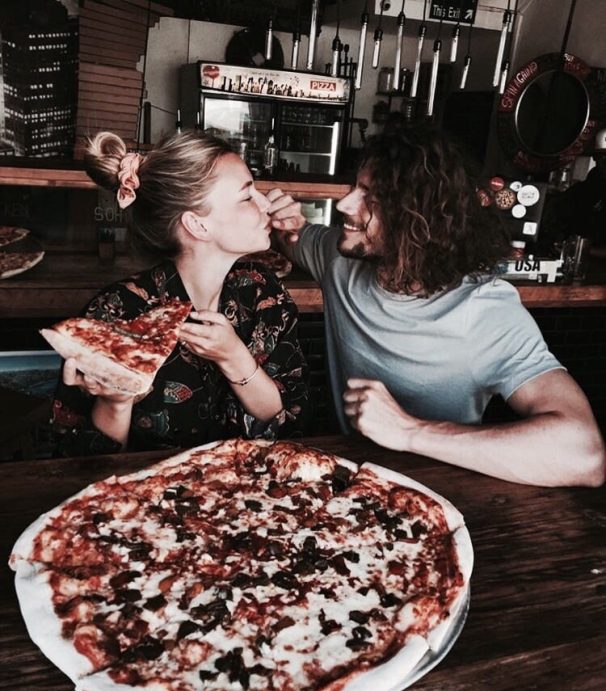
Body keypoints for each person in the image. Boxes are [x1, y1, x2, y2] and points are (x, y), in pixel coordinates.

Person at [272, 122, 606, 488]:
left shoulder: (484, 310)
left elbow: (584, 455)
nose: (344, 203)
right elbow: (292, 237)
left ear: (419, 220)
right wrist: (285, 221)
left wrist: (408, 431)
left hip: (444, 496)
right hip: (343, 486)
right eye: (355, 187)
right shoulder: (340, 258)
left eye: (371, 196)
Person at [51, 129, 309, 456]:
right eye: (247, 196)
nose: (265, 203)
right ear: (197, 225)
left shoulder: (263, 292)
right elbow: (82, 462)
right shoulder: (116, 313)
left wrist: (234, 358)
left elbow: (292, 424)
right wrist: (116, 400)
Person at [540, 127, 606, 258]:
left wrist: (584, 250)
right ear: (595, 158)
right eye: (604, 157)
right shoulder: (584, 191)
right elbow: (554, 219)